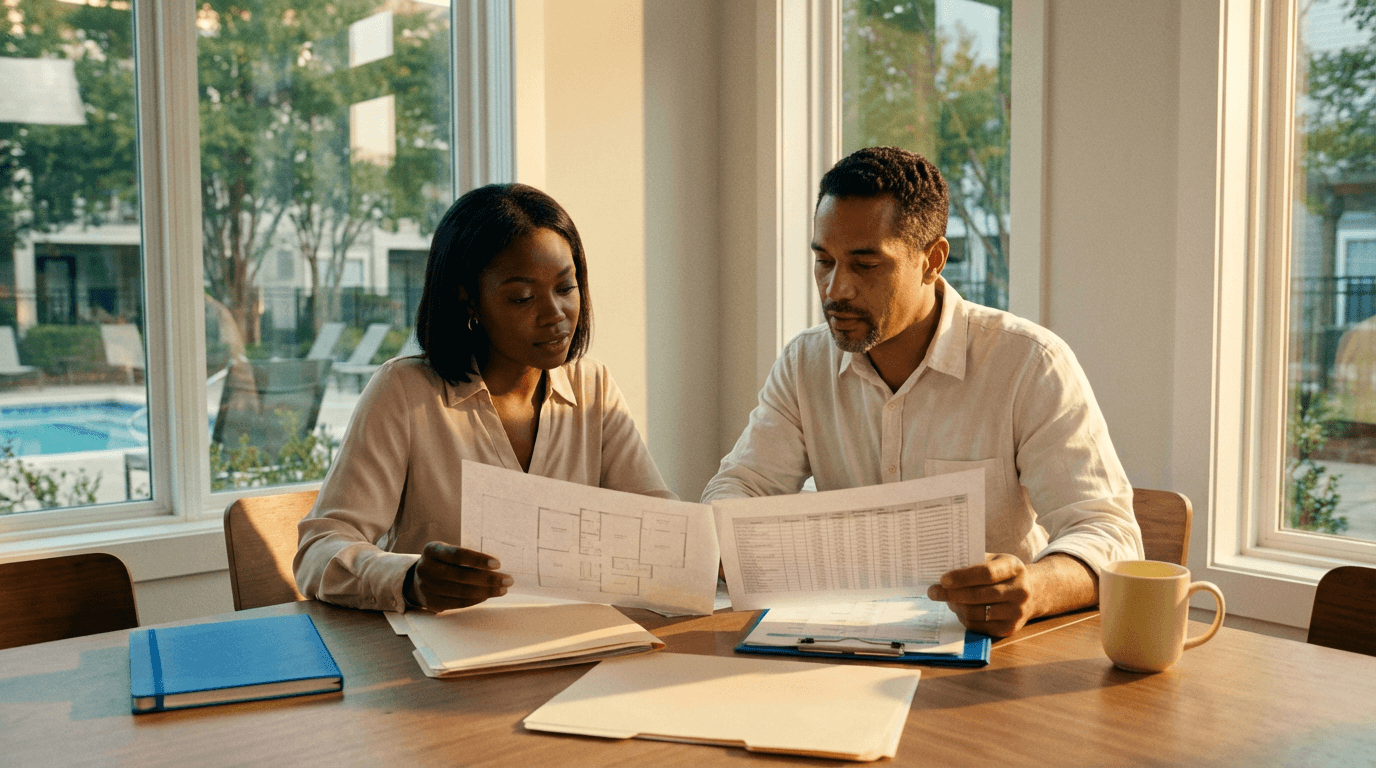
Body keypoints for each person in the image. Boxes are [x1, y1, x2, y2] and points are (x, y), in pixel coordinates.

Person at [701, 147, 1142, 637]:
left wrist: (1035, 588)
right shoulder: (805, 363)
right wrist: (722, 533)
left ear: (932, 261)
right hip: (832, 643)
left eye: (865, 265)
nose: (835, 289)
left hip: (988, 654)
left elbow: (1111, 533)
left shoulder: (1029, 363)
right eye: (824, 261)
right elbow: (741, 487)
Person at [295, 183, 674, 613]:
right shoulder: (404, 393)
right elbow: (318, 550)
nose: (555, 314)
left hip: (571, 641)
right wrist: (409, 580)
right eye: (522, 297)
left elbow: (656, 524)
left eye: (566, 288)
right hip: (443, 654)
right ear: (468, 299)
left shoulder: (593, 388)